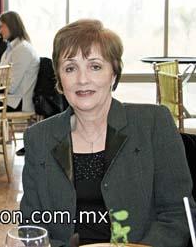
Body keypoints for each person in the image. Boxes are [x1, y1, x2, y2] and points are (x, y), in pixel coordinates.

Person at [20, 19, 193, 247]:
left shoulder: (153, 124)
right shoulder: (39, 137)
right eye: (70, 68)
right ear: (60, 79)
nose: (82, 79)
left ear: (114, 73)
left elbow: (178, 215)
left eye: (95, 66)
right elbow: (32, 225)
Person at [0, 11, 39, 112]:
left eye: (2, 26)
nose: (0, 31)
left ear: (12, 27)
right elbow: (0, 77)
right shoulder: (11, 48)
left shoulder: (22, 49)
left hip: (18, 102)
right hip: (10, 99)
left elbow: (11, 87)